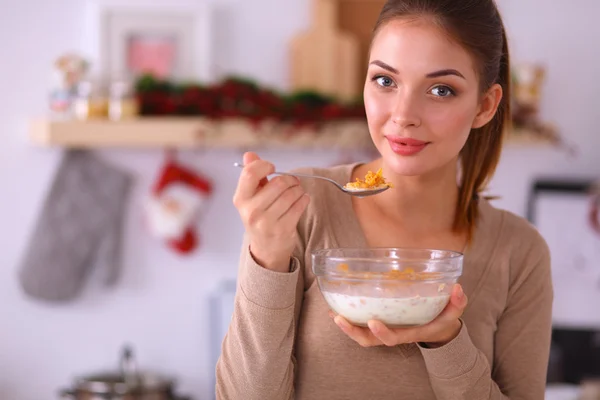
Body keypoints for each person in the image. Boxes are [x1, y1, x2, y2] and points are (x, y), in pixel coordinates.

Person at [216, 0, 554, 398]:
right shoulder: (301, 210)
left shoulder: (519, 252)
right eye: (385, 81)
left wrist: (446, 340)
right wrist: (267, 259)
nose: (403, 114)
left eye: (440, 89)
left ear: (484, 106)